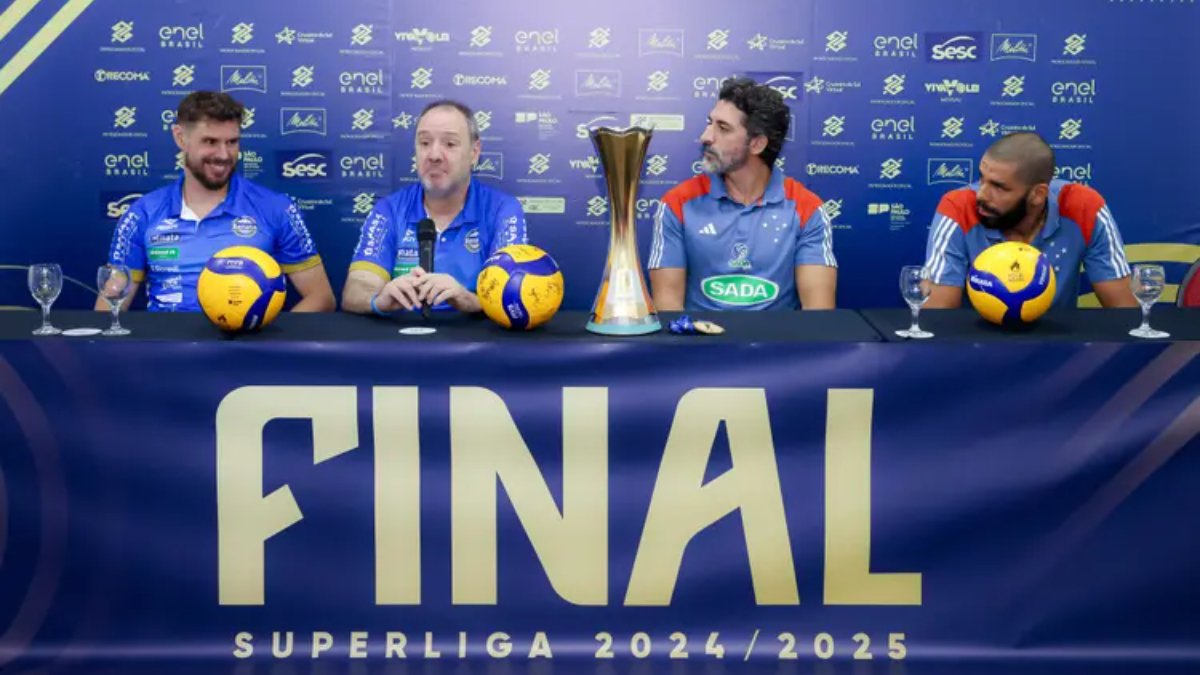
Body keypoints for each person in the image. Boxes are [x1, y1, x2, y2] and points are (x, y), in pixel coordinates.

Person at [99, 91, 335, 312]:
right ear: (180, 138)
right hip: (168, 349)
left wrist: (268, 338)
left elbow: (321, 298)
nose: (223, 155)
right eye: (210, 142)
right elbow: (110, 305)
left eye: (232, 142)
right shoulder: (143, 213)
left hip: (248, 350)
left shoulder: (276, 208)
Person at [648, 76, 837, 311]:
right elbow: (668, 309)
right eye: (710, 123)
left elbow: (818, 318)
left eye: (723, 128)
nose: (706, 136)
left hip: (780, 346)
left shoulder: (808, 209)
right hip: (700, 344)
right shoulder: (677, 204)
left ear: (757, 144)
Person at [342, 100, 527, 315]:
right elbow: (355, 291)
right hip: (404, 343)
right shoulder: (389, 210)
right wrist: (378, 301)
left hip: (477, 342)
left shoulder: (502, 210)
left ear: (474, 152)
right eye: (425, 143)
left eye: (449, 144)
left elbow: (513, 296)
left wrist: (467, 299)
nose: (434, 155)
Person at [924, 131, 1135, 308]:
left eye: (999, 187)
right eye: (982, 179)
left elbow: (1125, 312)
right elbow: (936, 317)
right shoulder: (958, 207)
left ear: (1038, 194)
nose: (982, 195)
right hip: (975, 350)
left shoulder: (1084, 207)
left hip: (1058, 349)